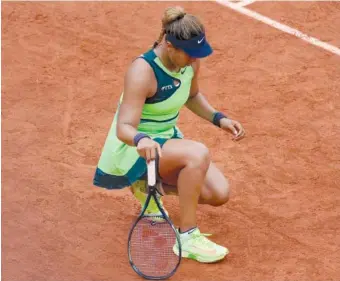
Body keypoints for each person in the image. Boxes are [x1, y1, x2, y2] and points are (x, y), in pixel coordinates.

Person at [93, 6, 245, 263]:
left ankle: (146, 185)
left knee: (218, 194)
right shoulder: (142, 71)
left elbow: (193, 96)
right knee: (197, 153)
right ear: (170, 45)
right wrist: (142, 140)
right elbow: (124, 128)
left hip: (166, 141)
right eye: (190, 54)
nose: (195, 60)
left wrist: (219, 118)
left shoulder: (190, 65)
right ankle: (188, 237)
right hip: (135, 147)